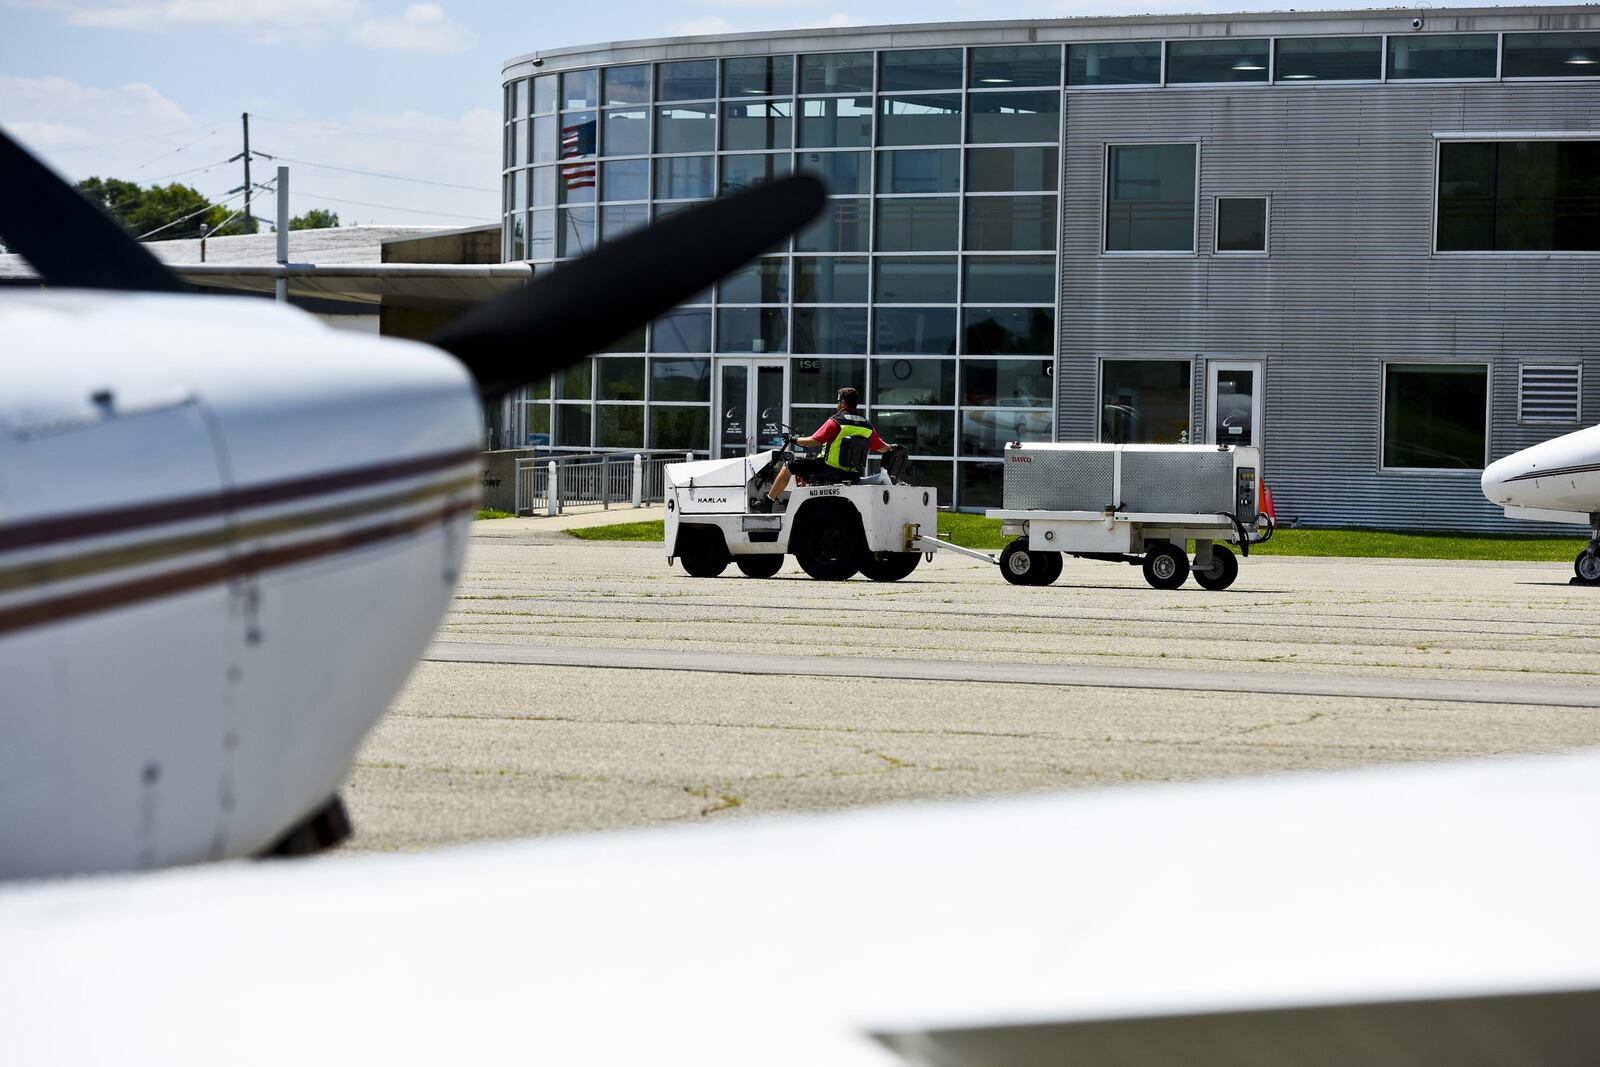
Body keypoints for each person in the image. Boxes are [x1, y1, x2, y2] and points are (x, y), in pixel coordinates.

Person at [754, 387, 890, 511]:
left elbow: (814, 441)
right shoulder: (866, 426)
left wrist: (794, 439)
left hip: (828, 468)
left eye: (838, 401)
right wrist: (892, 447)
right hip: (851, 474)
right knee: (807, 461)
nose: (837, 405)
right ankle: (802, 503)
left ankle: (768, 501)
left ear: (842, 403)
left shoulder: (836, 421)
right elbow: (883, 448)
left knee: (788, 466)